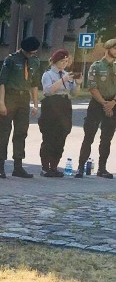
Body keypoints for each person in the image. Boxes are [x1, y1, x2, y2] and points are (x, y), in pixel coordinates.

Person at [0, 36, 40, 178]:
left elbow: (34, 84)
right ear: (24, 51)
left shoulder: (35, 61)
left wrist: (35, 104)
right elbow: (1, 82)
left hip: (24, 99)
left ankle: (18, 166)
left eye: (34, 53)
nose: (32, 55)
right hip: (10, 97)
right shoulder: (11, 60)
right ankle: (0, 166)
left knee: (21, 132)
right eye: (30, 53)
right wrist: (1, 103)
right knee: (3, 132)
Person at [76, 38, 116, 179]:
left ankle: (102, 168)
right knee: (89, 136)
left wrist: (113, 102)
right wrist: (105, 104)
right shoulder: (96, 66)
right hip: (97, 105)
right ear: (108, 49)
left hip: (113, 105)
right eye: (115, 48)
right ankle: (80, 167)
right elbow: (92, 87)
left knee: (107, 138)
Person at [38, 49, 78, 177]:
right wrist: (63, 80)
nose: (64, 64)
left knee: (61, 137)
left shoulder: (67, 74)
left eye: (66, 61)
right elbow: (48, 91)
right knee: (49, 137)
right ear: (55, 61)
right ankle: (45, 168)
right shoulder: (48, 74)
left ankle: (54, 167)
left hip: (64, 105)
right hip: (51, 105)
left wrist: (77, 84)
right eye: (62, 61)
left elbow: (73, 94)